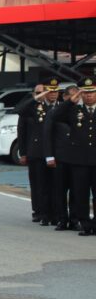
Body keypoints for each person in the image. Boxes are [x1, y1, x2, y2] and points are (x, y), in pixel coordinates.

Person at [49, 77, 96, 236]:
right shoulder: (74, 110)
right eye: (86, 93)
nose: (89, 95)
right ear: (81, 94)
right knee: (81, 195)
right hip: (79, 161)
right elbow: (54, 116)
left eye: (92, 92)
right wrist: (70, 102)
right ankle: (86, 224)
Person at [17, 79, 60, 226]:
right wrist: (23, 152)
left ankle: (55, 213)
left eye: (55, 91)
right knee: (40, 185)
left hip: (57, 153)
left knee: (55, 185)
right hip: (37, 151)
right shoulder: (35, 107)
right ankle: (41, 211)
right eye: (49, 91)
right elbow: (20, 113)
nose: (52, 94)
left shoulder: (61, 107)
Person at [43, 84, 77, 230]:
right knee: (60, 190)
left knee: (76, 191)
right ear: (65, 97)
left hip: (76, 159)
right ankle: (62, 219)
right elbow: (47, 135)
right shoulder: (55, 112)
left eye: (77, 95)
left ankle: (74, 219)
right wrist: (49, 156)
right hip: (60, 157)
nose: (75, 99)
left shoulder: (80, 112)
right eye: (72, 96)